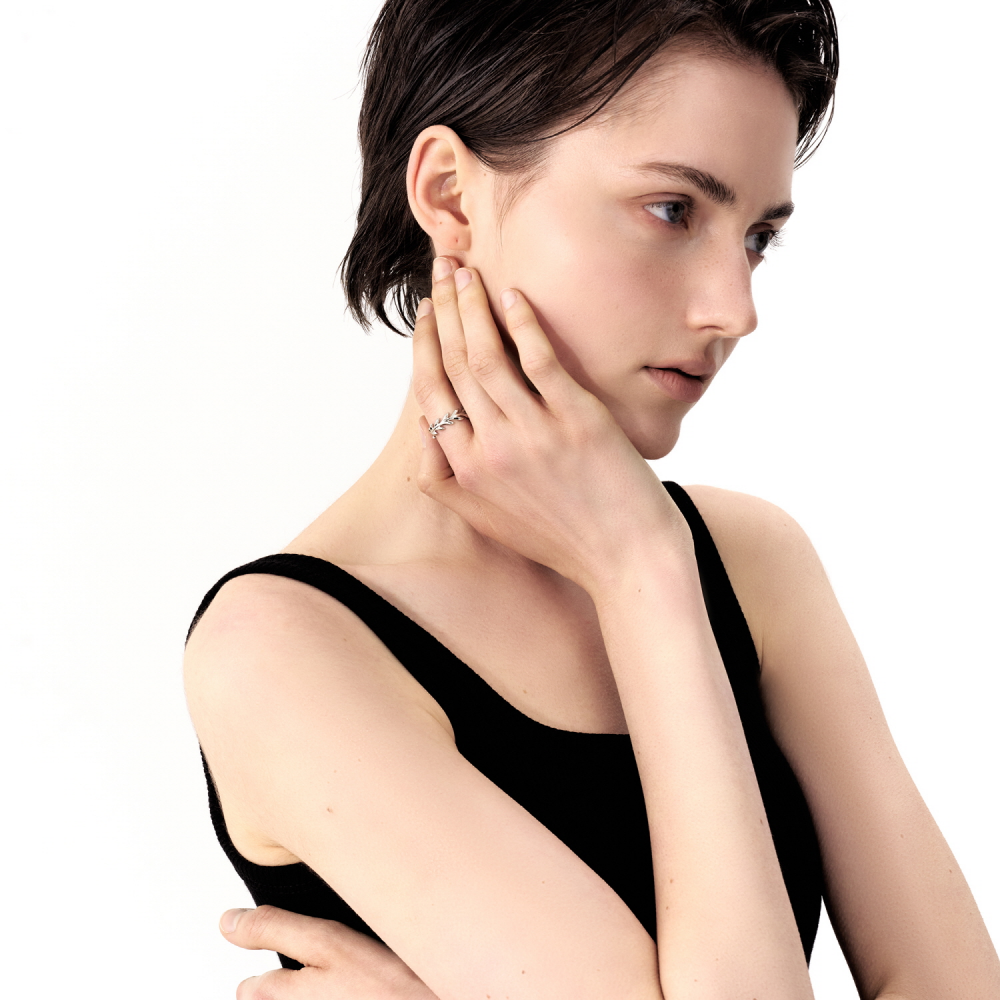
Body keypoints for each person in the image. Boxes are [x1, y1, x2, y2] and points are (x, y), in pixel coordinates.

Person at [183, 1, 1000, 998]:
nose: (734, 309)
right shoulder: (285, 649)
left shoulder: (751, 562)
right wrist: (642, 568)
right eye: (673, 211)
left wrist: (641, 564)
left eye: (756, 237)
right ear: (449, 195)